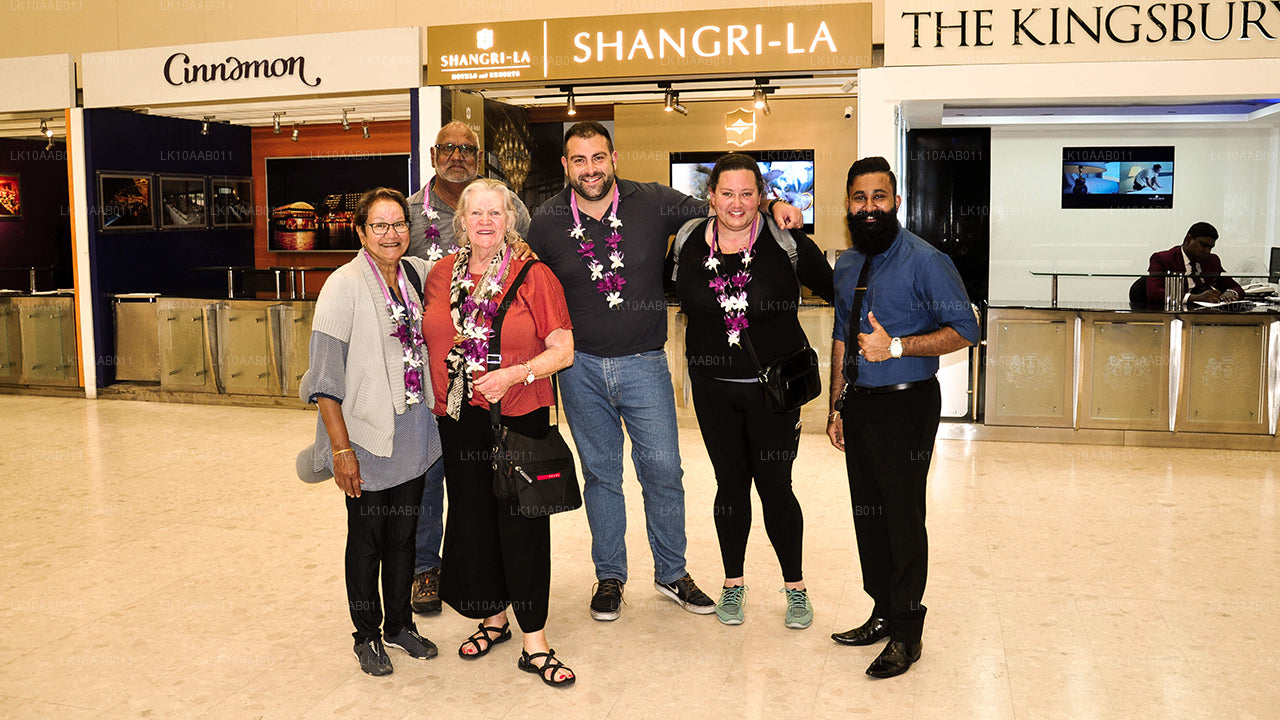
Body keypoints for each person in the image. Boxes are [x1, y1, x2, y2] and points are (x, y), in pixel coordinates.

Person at [525, 121, 803, 621]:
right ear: (565, 166)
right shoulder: (545, 222)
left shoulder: (651, 200)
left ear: (614, 158)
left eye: (599, 157)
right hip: (579, 369)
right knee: (601, 475)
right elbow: (527, 286)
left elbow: (726, 203)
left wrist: (775, 203)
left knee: (663, 472)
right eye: (579, 160)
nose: (591, 169)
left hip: (645, 364)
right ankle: (610, 576)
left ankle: (672, 572)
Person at [826, 157, 979, 679]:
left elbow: (966, 329)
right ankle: (882, 611)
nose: (869, 207)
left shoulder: (925, 260)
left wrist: (896, 346)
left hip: (907, 403)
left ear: (896, 201)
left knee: (903, 517)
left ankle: (907, 633)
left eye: (879, 196)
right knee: (868, 514)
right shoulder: (847, 264)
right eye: (859, 198)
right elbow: (842, 337)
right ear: (849, 205)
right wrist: (836, 406)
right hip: (861, 404)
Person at [422, 178, 577, 687]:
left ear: (510, 220)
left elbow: (563, 350)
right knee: (475, 520)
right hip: (459, 420)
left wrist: (517, 373)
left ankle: (536, 641)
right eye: (476, 213)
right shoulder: (441, 274)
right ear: (461, 221)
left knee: (522, 524)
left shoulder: (534, 275)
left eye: (496, 213)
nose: (486, 221)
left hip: (518, 416)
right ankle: (493, 618)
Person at [669, 153, 834, 628]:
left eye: (747, 193)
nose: (736, 203)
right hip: (713, 392)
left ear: (762, 196)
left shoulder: (785, 241)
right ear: (711, 196)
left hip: (774, 394)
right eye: (727, 193)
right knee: (730, 485)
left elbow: (838, 290)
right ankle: (732, 584)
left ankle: (795, 588)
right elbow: (667, 290)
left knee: (776, 487)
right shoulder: (687, 242)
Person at [306, 187, 442, 676]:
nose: (391, 234)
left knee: (404, 536)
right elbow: (323, 380)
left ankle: (399, 625)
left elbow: (468, 268)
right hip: (365, 437)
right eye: (379, 225)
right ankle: (366, 635)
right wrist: (341, 450)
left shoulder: (416, 274)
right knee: (367, 540)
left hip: (414, 432)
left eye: (399, 223)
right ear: (361, 232)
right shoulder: (342, 286)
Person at [404, 120, 531, 616]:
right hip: (425, 367)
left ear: (479, 157)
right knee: (428, 474)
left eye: (467, 149)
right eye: (448, 148)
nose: (457, 156)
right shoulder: (410, 213)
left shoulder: (507, 205)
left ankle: (487, 573)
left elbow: (518, 256)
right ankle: (425, 568)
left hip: (488, 376)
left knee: (475, 484)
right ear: (434, 154)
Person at [1143, 221, 1243, 306]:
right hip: (1175, 312)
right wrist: (1195, 298)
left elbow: (1236, 288)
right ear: (1188, 239)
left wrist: (1230, 293)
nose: (1207, 251)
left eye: (1210, 247)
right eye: (1203, 245)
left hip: (1207, 313)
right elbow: (1154, 293)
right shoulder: (1163, 259)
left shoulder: (1212, 260)